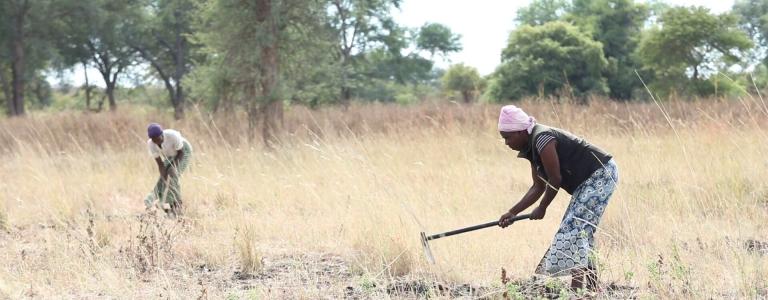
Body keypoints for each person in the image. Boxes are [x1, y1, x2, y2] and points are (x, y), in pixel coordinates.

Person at [496, 105, 618, 292]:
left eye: (507, 137)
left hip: (601, 174)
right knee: (581, 231)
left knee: (573, 229)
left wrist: (542, 207)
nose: (506, 143)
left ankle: (577, 292)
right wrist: (512, 212)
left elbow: (555, 179)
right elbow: (538, 186)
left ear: (520, 132)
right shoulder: (531, 146)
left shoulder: (542, 139)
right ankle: (591, 290)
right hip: (586, 182)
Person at [144, 123, 192, 217]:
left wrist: (173, 168)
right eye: (155, 140)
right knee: (163, 179)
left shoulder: (172, 135)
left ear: (162, 134)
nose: (158, 142)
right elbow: (160, 164)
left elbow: (181, 153)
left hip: (183, 152)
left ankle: (177, 205)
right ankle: (153, 202)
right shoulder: (151, 144)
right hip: (170, 155)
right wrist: (163, 176)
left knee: (173, 174)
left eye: (159, 138)